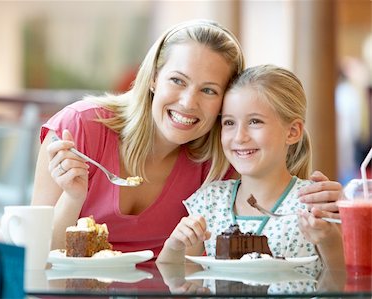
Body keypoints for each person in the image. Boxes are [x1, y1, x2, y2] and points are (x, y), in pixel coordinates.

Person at [31, 20, 341, 256]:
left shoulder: (220, 163)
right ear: (153, 78)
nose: (188, 103)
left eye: (208, 90)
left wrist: (325, 205)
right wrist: (73, 198)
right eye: (178, 81)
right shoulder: (79, 129)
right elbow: (36, 257)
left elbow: (281, 212)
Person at [156, 65, 344, 269]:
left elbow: (343, 281)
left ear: (292, 132)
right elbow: (174, 277)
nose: (239, 137)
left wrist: (329, 240)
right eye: (229, 123)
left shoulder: (315, 206)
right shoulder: (210, 202)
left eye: (255, 121)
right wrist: (174, 246)